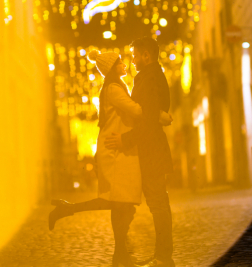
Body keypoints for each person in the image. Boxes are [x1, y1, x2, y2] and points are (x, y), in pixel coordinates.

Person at [48, 50, 143, 267]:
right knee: (117, 201)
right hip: (114, 151)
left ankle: (120, 256)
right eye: (120, 63)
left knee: (122, 204)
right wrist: (160, 115)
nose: (124, 65)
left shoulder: (114, 87)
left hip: (116, 149)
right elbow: (136, 111)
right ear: (111, 68)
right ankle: (68, 210)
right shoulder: (113, 89)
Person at [105, 37, 175, 267]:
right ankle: (161, 256)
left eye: (135, 55)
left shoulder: (150, 78)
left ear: (146, 55)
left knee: (158, 205)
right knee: (157, 204)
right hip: (149, 149)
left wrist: (125, 139)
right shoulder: (148, 76)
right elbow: (152, 114)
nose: (132, 60)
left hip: (151, 151)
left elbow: (147, 119)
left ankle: (163, 258)